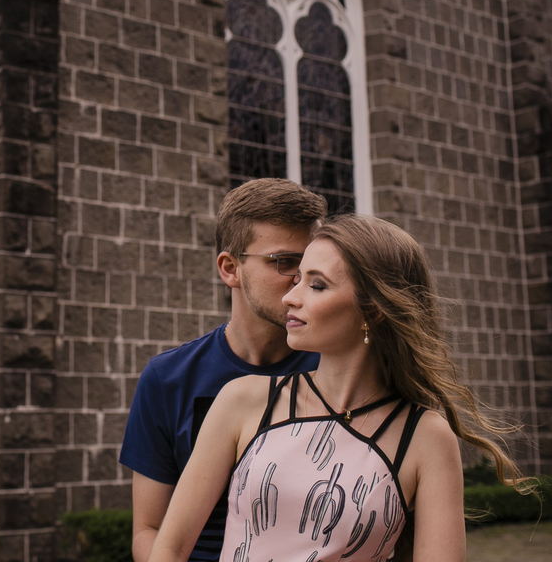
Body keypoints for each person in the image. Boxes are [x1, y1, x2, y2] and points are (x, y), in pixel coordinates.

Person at [146, 214, 531, 562]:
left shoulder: (426, 437)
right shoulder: (243, 400)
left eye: (316, 285)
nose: (290, 297)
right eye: (296, 279)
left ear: (374, 309)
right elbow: (171, 548)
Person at [121, 179, 328, 562]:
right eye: (285, 262)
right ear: (230, 269)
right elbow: (148, 529)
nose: (302, 278)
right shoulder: (168, 378)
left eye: (313, 264)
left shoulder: (337, 370)